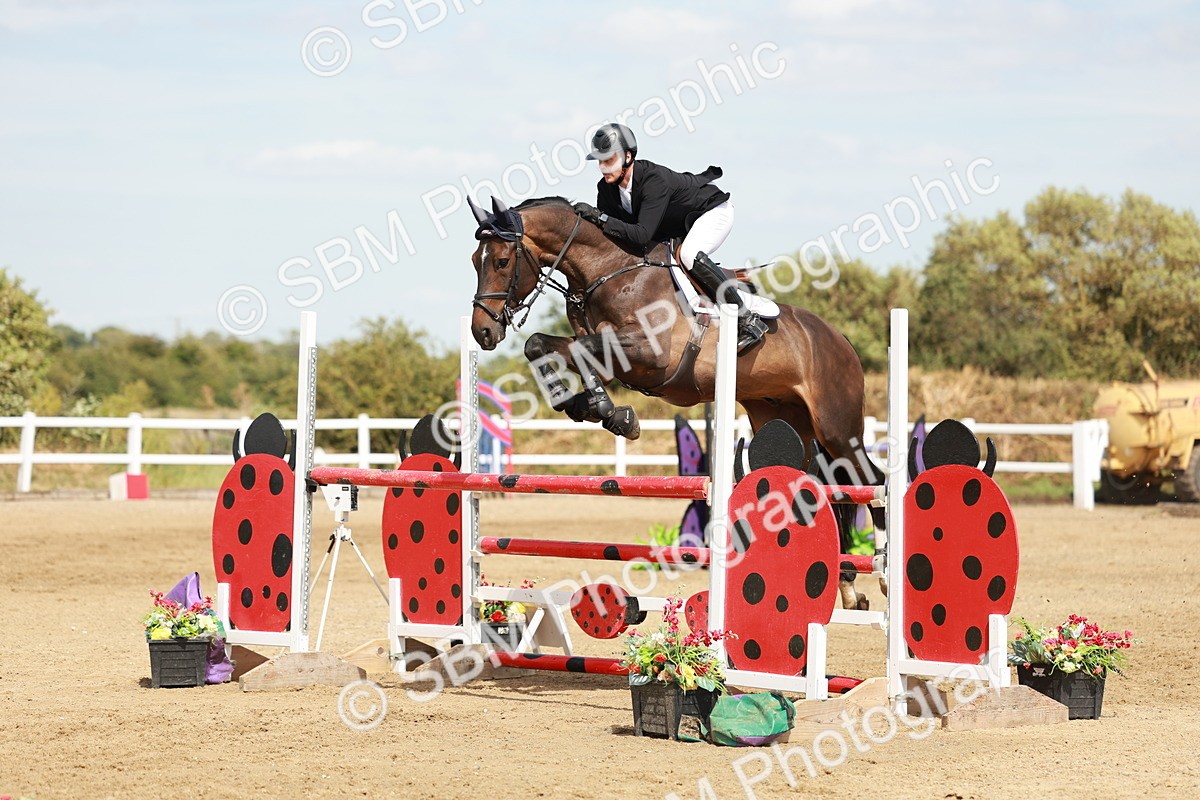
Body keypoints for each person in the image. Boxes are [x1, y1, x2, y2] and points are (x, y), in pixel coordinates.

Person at [572, 123, 768, 353]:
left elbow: (641, 235)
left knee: (688, 254)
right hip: (673, 225)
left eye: (608, 160)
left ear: (627, 156)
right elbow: (616, 239)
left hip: (711, 212)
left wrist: (601, 218)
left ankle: (748, 320)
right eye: (600, 162)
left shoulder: (653, 180)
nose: (603, 168)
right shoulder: (605, 189)